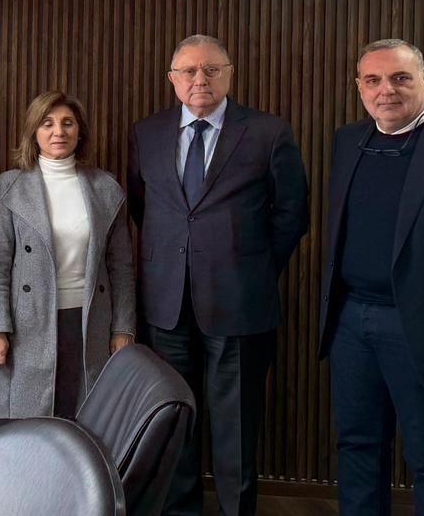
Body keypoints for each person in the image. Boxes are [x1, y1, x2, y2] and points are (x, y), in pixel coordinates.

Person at [128, 33, 309, 516]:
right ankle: (181, 509)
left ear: (229, 74)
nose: (199, 80)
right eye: (188, 71)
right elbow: (146, 209)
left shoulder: (269, 132)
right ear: (172, 79)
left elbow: (292, 214)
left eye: (211, 69)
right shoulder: (147, 133)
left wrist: (252, 269)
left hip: (240, 303)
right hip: (167, 305)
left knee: (236, 425)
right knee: (174, 419)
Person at [319, 38, 424, 515]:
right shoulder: (347, 141)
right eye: (373, 80)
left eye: (401, 77)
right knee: (358, 448)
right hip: (352, 322)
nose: (387, 90)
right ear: (359, 87)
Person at [0, 91, 135, 421]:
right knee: (28, 418)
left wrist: (123, 328)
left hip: (89, 320)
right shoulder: (10, 186)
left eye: (67, 123)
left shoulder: (106, 187)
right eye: (47, 124)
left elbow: (121, 267)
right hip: (28, 322)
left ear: (80, 132)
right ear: (34, 132)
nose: (58, 132)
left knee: (81, 413)